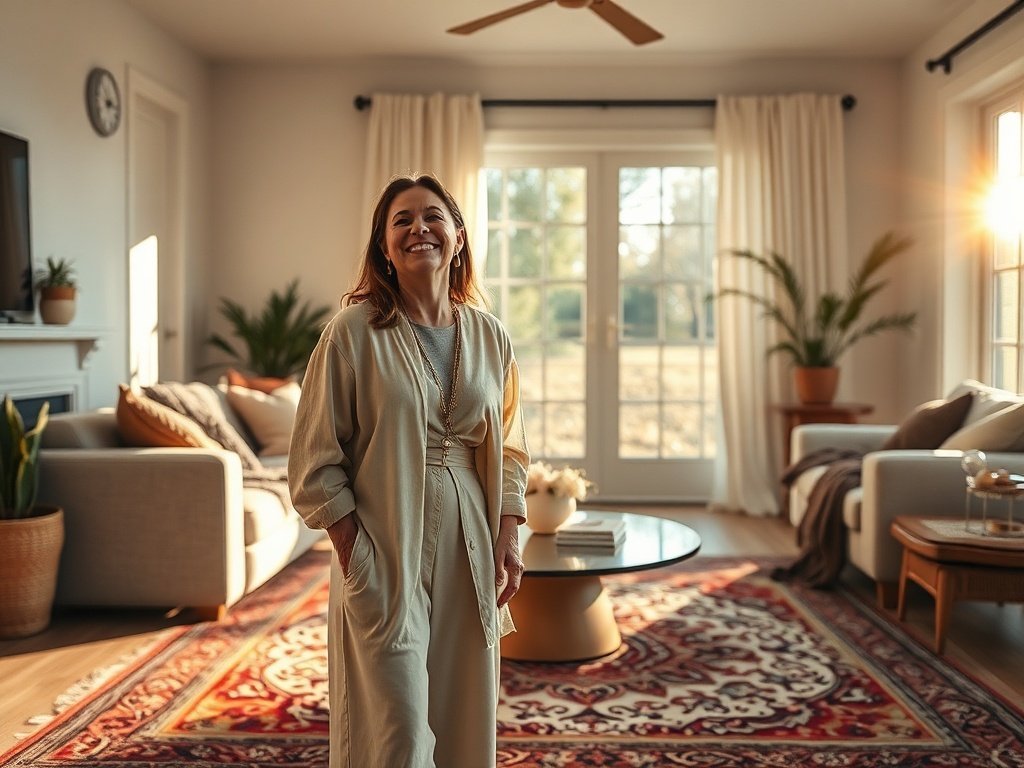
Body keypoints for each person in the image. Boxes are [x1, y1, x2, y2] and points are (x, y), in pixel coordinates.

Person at [288, 173, 530, 768]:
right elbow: (314, 460)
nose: (419, 228)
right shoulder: (352, 334)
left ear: (458, 236)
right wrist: (355, 554)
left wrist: (507, 537)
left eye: (432, 216)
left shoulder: (491, 336)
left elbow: (511, 448)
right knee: (394, 730)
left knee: (462, 714)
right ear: (384, 248)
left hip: (471, 548)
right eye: (402, 220)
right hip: (386, 544)